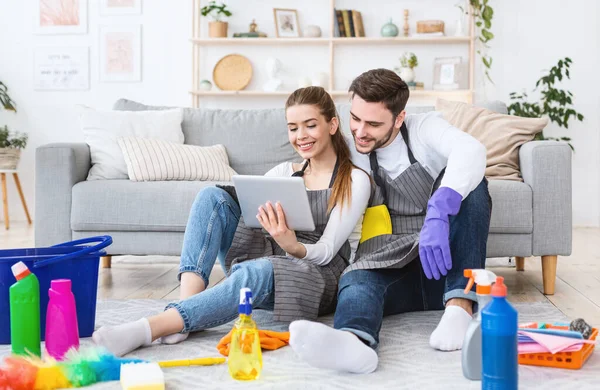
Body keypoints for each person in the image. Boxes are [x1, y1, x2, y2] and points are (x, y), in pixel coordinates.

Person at [92, 86, 371, 357]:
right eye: (293, 127)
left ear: (332, 124)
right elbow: (247, 208)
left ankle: (147, 329)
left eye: (310, 125)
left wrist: (292, 244)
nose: (301, 136)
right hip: (274, 255)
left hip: (317, 275)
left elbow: (327, 252)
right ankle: (186, 311)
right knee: (212, 196)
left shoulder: (354, 179)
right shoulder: (285, 171)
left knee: (255, 272)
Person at [289, 69, 492, 374]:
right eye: (355, 118)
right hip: (394, 270)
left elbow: (472, 150)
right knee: (357, 279)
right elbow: (308, 166)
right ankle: (354, 342)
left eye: (373, 124)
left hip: (443, 265)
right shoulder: (347, 148)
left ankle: (459, 309)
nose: (359, 131)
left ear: (399, 119)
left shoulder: (424, 129)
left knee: (474, 186)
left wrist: (439, 210)